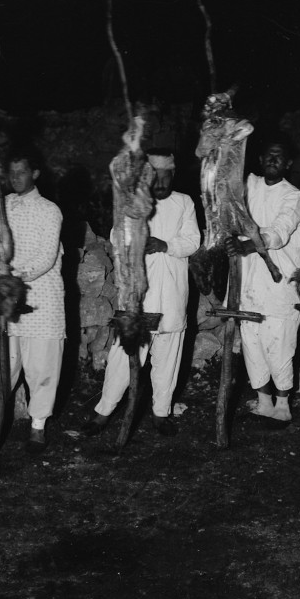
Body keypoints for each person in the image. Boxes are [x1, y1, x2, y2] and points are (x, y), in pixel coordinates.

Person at [80, 150, 200, 438]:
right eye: (153, 176)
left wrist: (165, 245)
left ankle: (161, 412)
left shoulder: (184, 202)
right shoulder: (134, 203)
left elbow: (193, 241)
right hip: (138, 297)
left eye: (165, 175)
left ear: (173, 175)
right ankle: (103, 410)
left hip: (171, 294)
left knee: (167, 358)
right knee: (124, 355)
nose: (159, 182)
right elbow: (113, 236)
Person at [0, 148, 65, 453]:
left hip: (41, 298)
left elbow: (46, 257)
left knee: (42, 366)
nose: (16, 178)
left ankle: (38, 425)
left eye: (22, 172)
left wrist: (12, 277)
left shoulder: (49, 210)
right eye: (11, 173)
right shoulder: (2, 206)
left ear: (35, 174)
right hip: (4, 296)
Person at [225, 134, 300, 427]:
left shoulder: (294, 196)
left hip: (280, 285)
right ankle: (263, 401)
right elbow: (225, 182)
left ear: (287, 164)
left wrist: (251, 244)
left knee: (280, 345)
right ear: (260, 160)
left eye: (279, 156)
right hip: (247, 281)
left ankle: (283, 404)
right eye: (268, 155)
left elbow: (280, 230)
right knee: (251, 342)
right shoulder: (249, 185)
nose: (272, 160)